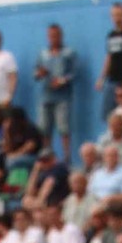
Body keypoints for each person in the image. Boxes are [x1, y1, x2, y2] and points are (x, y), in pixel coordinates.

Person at [34, 24, 79, 160]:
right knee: (44, 129)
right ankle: (48, 157)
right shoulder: (43, 54)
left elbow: (75, 73)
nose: (53, 38)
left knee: (64, 129)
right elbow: (35, 73)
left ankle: (66, 157)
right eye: (51, 36)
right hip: (45, 96)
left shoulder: (69, 53)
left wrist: (62, 81)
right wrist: (40, 73)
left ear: (61, 36)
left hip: (63, 97)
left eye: (56, 36)